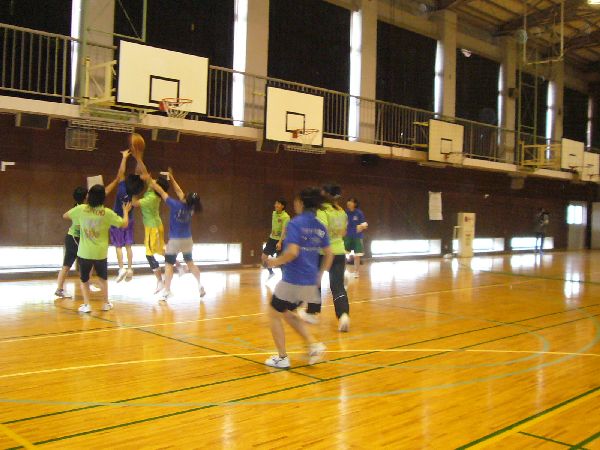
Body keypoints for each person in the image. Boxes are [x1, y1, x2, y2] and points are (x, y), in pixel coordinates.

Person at [262, 187, 333, 368]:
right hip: (309, 281)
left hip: (292, 280)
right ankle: (313, 345)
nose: (294, 204)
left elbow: (292, 252)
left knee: (273, 313)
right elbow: (329, 254)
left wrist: (274, 262)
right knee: (286, 312)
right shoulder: (320, 226)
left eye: (295, 201)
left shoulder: (295, 224)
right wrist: (320, 275)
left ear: (301, 203)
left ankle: (282, 358)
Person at [63, 185, 131, 313]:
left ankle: (87, 305)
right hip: (100, 253)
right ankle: (106, 304)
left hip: (84, 252)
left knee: (84, 280)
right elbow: (124, 224)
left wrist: (79, 219)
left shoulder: (81, 209)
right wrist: (126, 211)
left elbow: (65, 216)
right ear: (103, 198)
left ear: (89, 196)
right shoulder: (107, 213)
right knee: (102, 279)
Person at [144, 169, 206, 301]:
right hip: (188, 240)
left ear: (186, 199)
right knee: (190, 263)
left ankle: (167, 291)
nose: (183, 194)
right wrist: (171, 178)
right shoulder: (191, 208)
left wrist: (149, 180)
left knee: (168, 265)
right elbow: (179, 191)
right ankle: (200, 285)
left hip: (175, 241)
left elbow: (160, 191)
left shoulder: (175, 205)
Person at [299, 183, 350, 332]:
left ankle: (312, 311)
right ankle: (343, 316)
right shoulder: (341, 211)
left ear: (325, 194)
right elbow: (344, 232)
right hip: (339, 252)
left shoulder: (322, 211)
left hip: (323, 253)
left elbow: (321, 232)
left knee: (315, 281)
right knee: (338, 286)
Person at [131, 153, 169, 293]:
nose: (152, 181)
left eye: (155, 182)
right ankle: (179, 265)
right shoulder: (152, 190)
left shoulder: (151, 198)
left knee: (149, 254)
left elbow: (134, 203)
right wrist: (138, 158)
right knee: (160, 250)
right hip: (156, 225)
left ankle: (160, 281)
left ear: (157, 187)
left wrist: (133, 191)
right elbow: (145, 173)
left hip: (152, 228)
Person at [108, 151, 145, 282]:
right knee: (128, 245)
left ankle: (121, 268)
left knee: (118, 246)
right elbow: (138, 176)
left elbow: (121, 172)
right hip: (129, 220)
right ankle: (130, 268)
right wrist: (139, 159)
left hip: (117, 219)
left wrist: (124, 157)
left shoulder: (122, 187)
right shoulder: (134, 194)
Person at [55, 186, 88, 298]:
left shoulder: (78, 207)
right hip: (75, 238)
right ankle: (85, 286)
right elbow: (65, 216)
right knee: (81, 263)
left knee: (68, 265)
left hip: (72, 238)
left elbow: (66, 215)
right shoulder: (82, 207)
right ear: (85, 196)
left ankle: (59, 289)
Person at [263, 199, 290, 278]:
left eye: (278, 204)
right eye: (275, 203)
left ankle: (285, 278)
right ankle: (271, 272)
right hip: (272, 239)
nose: (275, 205)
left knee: (281, 261)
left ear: (282, 206)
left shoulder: (286, 217)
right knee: (264, 257)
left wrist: (280, 242)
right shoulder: (274, 213)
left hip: (281, 240)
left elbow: (284, 230)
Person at [344, 197, 368, 278]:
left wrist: (362, 226)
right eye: (348, 201)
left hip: (357, 237)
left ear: (355, 204)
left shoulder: (359, 213)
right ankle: (343, 270)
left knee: (357, 256)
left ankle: (356, 271)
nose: (349, 203)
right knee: (344, 254)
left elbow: (364, 224)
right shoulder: (345, 213)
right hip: (347, 236)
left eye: (351, 201)